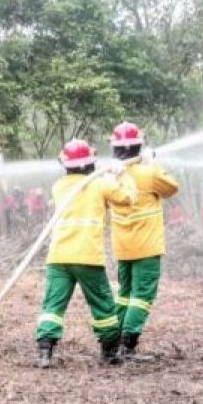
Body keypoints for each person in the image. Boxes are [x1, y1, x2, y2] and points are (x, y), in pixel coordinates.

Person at [35, 139, 135, 369]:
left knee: (53, 305)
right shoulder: (100, 184)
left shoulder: (59, 186)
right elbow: (127, 199)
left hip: (58, 257)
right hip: (87, 257)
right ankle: (110, 351)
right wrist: (123, 175)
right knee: (102, 305)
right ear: (90, 162)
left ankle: (44, 350)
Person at [107, 122, 180, 361]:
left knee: (125, 294)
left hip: (123, 247)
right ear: (140, 144)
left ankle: (115, 340)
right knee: (142, 295)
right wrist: (152, 163)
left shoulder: (111, 175)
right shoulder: (149, 172)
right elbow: (172, 187)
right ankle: (128, 345)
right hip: (147, 247)